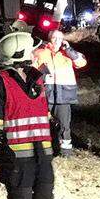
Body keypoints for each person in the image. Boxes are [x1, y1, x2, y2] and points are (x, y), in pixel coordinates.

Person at [0, 31, 54, 199]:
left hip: (42, 151)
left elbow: (41, 111)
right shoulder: (0, 82)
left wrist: (52, 127)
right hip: (16, 154)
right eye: (32, 49)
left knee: (45, 194)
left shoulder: (37, 79)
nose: (36, 53)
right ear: (22, 53)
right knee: (20, 198)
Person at [32, 29, 87, 157]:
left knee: (64, 125)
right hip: (46, 94)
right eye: (54, 38)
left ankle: (65, 153)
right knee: (42, 124)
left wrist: (70, 51)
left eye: (60, 38)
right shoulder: (40, 53)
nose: (57, 41)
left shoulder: (68, 53)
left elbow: (82, 62)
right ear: (49, 39)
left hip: (64, 95)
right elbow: (32, 71)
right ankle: (43, 151)